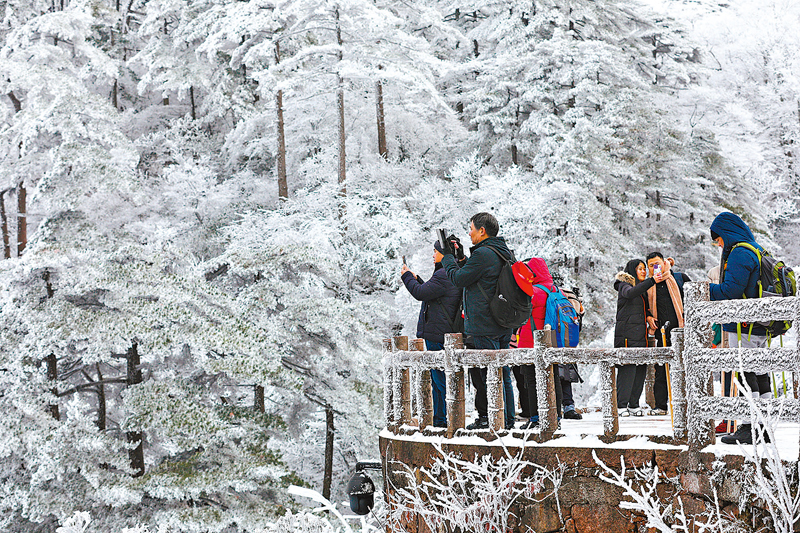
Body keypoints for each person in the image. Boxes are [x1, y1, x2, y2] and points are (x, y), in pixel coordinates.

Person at [441, 212, 515, 430]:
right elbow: (479, 276)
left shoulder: (483, 254)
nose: (469, 233)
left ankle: (496, 423)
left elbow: (458, 279)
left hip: (485, 323)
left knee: (489, 374)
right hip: (502, 321)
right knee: (503, 373)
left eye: (471, 228)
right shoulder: (502, 251)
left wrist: (447, 257)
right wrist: (462, 258)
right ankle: (507, 420)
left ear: (482, 231)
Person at [708, 212, 773, 445]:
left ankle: (749, 426)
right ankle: (763, 426)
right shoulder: (756, 249)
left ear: (726, 234)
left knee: (746, 373)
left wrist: (706, 289)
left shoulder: (739, 253)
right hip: (760, 325)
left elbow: (730, 291)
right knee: (760, 373)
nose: (718, 245)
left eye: (718, 239)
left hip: (744, 325)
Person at [401, 241, 462, 428]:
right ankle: (440, 419)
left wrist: (407, 277)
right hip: (443, 331)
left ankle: (444, 420)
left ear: (443, 253)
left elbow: (420, 293)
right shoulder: (450, 272)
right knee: (439, 380)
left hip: (438, 333)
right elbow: (432, 292)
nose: (433, 255)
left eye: (435, 251)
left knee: (440, 380)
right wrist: (417, 279)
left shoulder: (444, 274)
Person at [514, 257, 566, 429]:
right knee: (554, 379)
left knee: (531, 381)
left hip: (532, 342)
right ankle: (556, 416)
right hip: (553, 342)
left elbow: (519, 311)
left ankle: (536, 418)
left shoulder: (534, 292)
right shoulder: (557, 290)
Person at [645, 252, 691, 416]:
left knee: (686, 368)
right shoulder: (649, 285)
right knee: (661, 370)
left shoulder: (679, 278)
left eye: (657, 263)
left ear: (664, 263)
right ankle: (661, 405)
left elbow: (693, 300)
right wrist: (649, 317)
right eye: (651, 266)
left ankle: (689, 404)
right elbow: (643, 307)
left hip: (683, 331)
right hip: (662, 334)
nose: (655, 268)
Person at [614, 259, 657, 416]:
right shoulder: (624, 284)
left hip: (640, 335)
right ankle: (621, 405)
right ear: (632, 270)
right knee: (628, 369)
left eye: (644, 269)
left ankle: (633, 404)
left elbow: (643, 309)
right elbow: (629, 294)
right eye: (640, 269)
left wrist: (649, 317)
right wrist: (651, 281)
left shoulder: (641, 289)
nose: (644, 271)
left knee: (640, 369)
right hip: (627, 335)